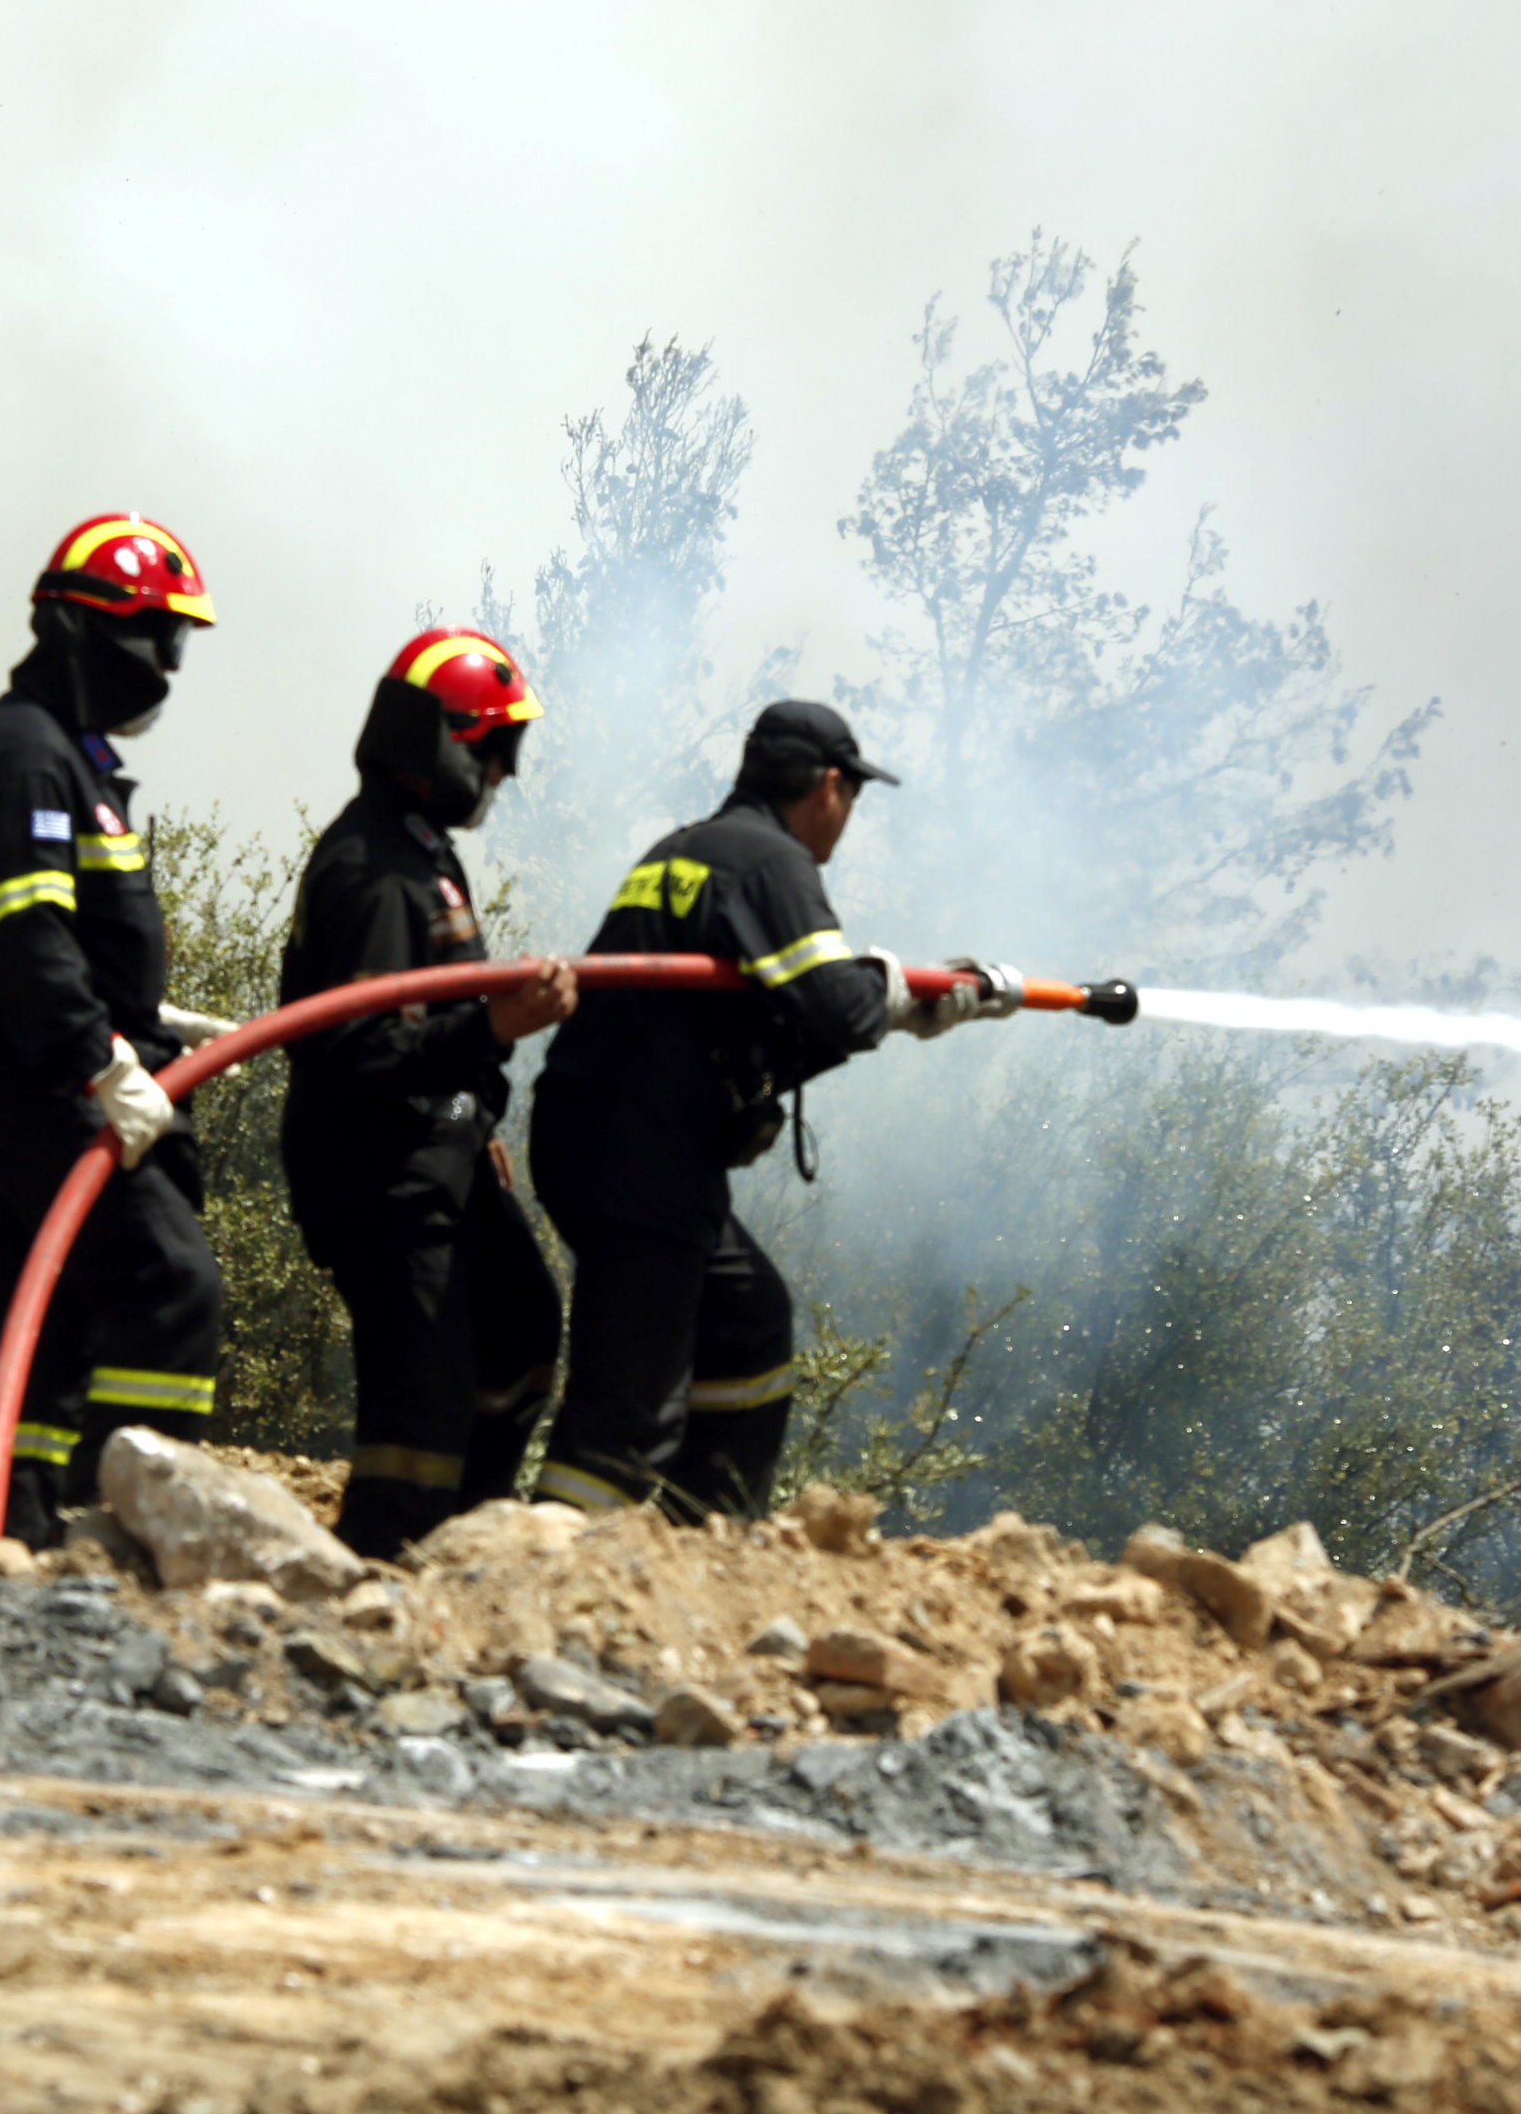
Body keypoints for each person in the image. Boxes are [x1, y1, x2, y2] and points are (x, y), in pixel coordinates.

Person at [526, 699, 1018, 1522]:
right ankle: (546, 1555)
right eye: (852, 796)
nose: (847, 816)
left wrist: (909, 1006)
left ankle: (704, 1534)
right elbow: (840, 1007)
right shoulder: (769, 862)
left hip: (604, 1138)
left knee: (747, 1322)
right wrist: (899, 994)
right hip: (640, 1156)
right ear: (829, 786)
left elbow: (755, 1027)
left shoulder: (684, 850)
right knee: (629, 1403)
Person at [0, 512, 231, 1550]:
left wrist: (146, 1019)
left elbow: (70, 937)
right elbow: (26, 937)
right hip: (40, 1076)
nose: (167, 665)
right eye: (159, 636)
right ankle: (132, 1529)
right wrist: (101, 1061)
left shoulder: (62, 753)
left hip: (45, 1062)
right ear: (84, 630)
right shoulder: (27, 755)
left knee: (46, 1309)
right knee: (169, 1282)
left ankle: (22, 1532)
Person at [276, 629, 578, 1557]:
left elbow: (428, 1035)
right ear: (445, 740)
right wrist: (497, 1028)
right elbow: (359, 1051)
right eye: (496, 748)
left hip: (438, 1152)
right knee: (421, 1401)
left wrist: (472, 1117)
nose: (504, 773)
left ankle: (466, 1542)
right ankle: (387, 1566)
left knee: (521, 1328)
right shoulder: (372, 870)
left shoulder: (421, 852)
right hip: (379, 1176)